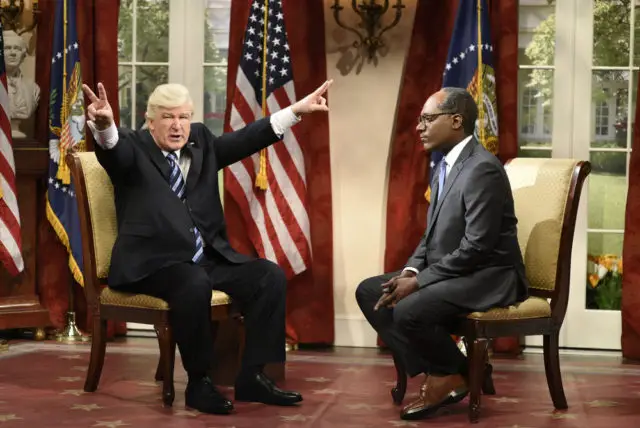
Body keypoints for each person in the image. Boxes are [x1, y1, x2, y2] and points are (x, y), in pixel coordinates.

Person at [82, 80, 331, 415]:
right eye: (168, 117)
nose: (177, 125)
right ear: (150, 120)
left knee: (267, 276)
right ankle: (199, 382)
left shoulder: (200, 141)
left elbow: (244, 140)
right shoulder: (133, 146)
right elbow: (112, 150)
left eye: (184, 117)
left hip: (204, 259)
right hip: (151, 264)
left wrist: (294, 112)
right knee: (193, 283)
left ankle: (253, 375)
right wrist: (104, 125)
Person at [355, 87, 529, 421]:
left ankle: (447, 374)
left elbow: (478, 246)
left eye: (427, 119)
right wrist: (410, 272)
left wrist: (419, 283)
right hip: (460, 270)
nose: (419, 127)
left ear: (456, 120)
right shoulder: (445, 166)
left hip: (491, 274)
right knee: (369, 291)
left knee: (408, 308)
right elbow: (431, 235)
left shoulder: (483, 169)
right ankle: (454, 370)